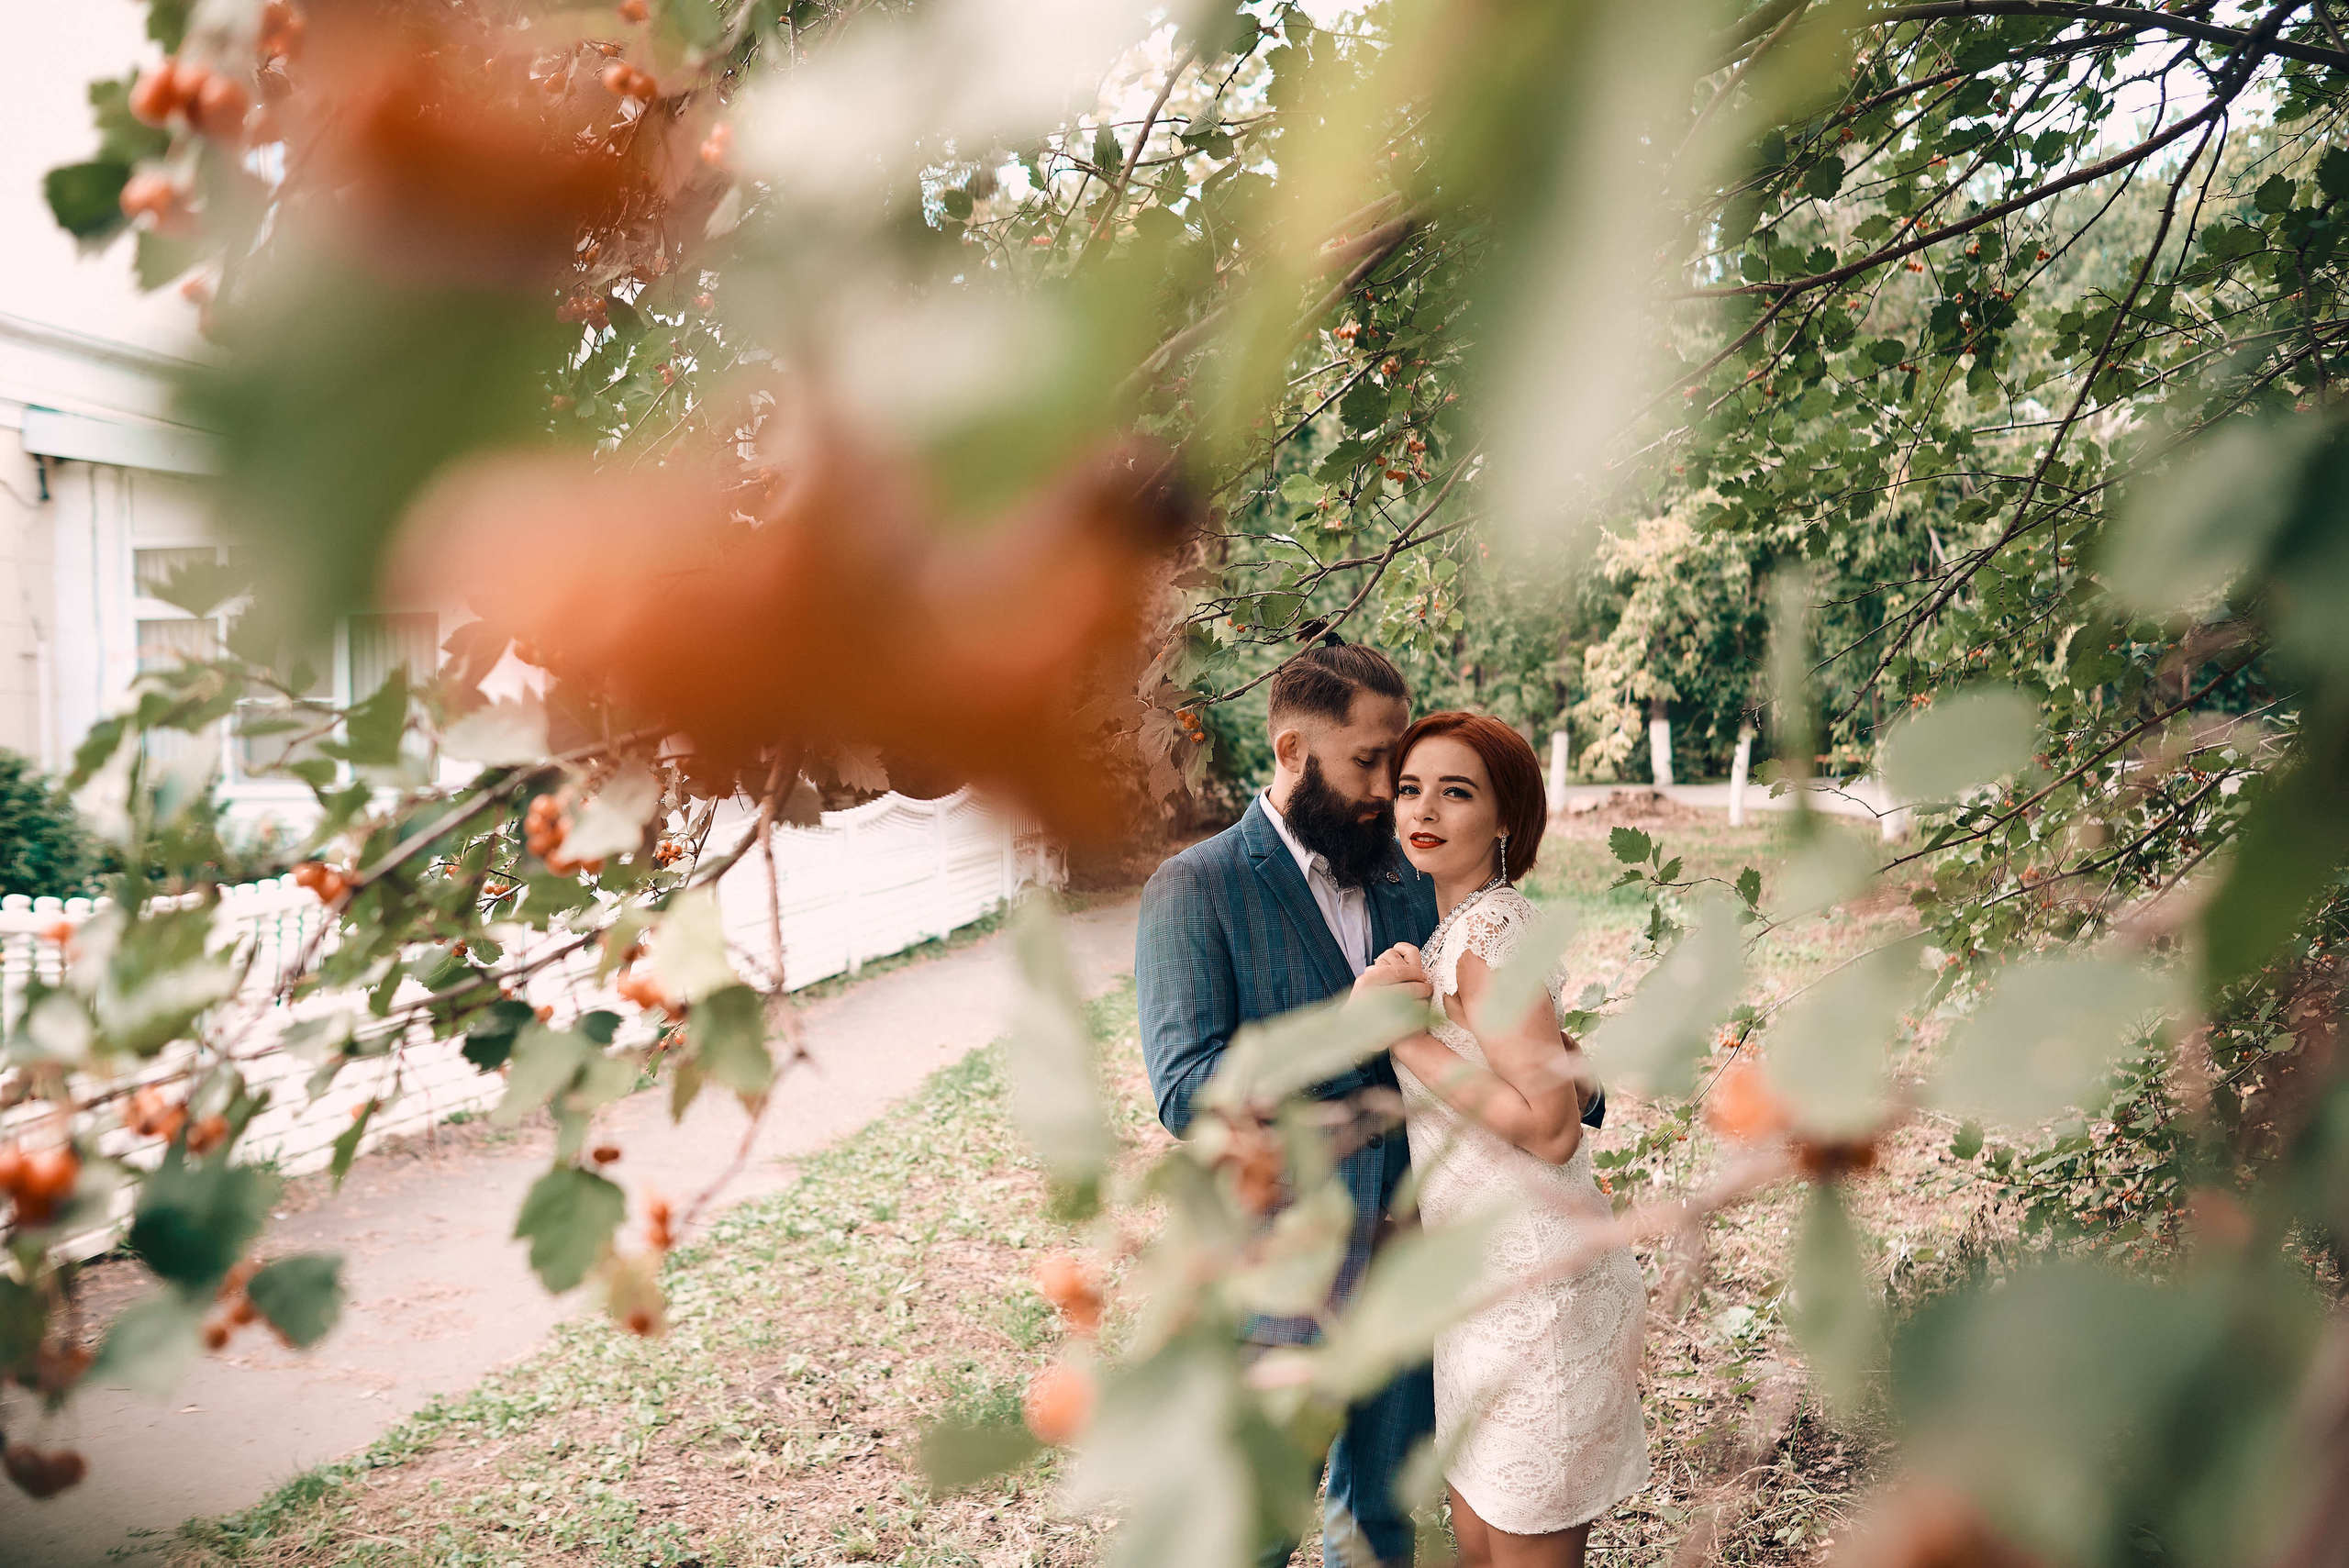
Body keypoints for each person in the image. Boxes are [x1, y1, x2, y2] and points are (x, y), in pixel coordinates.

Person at [1135, 638, 1439, 1568]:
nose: (1390, 786)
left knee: (1381, 1528)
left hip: (1403, 1256)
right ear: (1291, 750)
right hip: (1273, 1276)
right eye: (1368, 760)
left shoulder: (1406, 875)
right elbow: (1188, 1093)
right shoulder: (1195, 887)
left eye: (1398, 756)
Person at [1369, 710, 1649, 1568]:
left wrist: (1402, 1037)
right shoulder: (1461, 930)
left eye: (1458, 792)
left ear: (1505, 820)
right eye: (1411, 788)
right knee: (1480, 1545)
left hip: (1535, 1291)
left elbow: (1552, 1126)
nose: (1425, 809)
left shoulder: (1489, 934)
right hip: (1482, 1287)